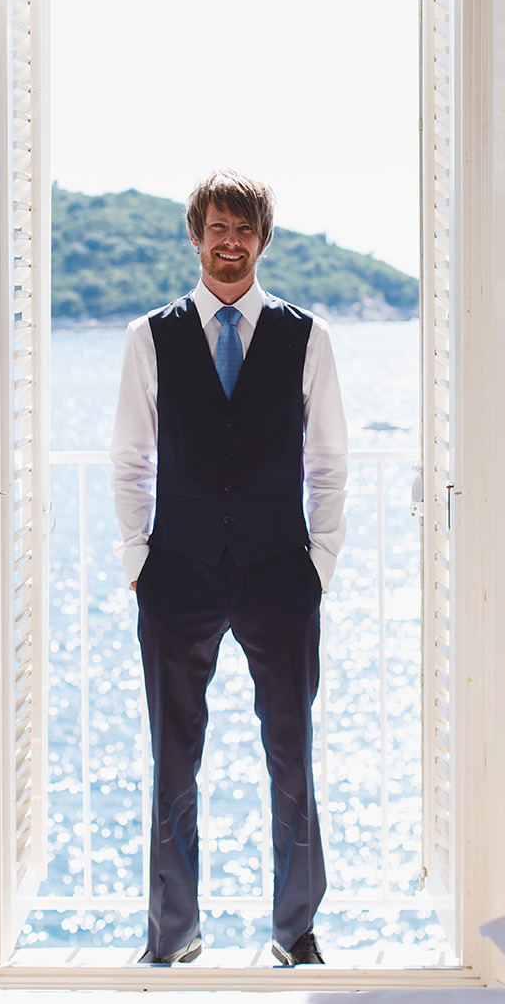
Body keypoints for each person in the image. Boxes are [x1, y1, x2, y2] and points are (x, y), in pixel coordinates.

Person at [110, 170, 348, 967]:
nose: (230, 242)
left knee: (291, 751)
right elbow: (130, 458)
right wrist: (138, 557)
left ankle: (294, 931)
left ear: (263, 240)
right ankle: (173, 933)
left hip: (281, 571)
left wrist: (319, 561)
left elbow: (331, 461)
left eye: (244, 230)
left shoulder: (305, 335)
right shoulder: (151, 336)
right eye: (217, 227)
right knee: (173, 758)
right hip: (176, 571)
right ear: (195, 236)